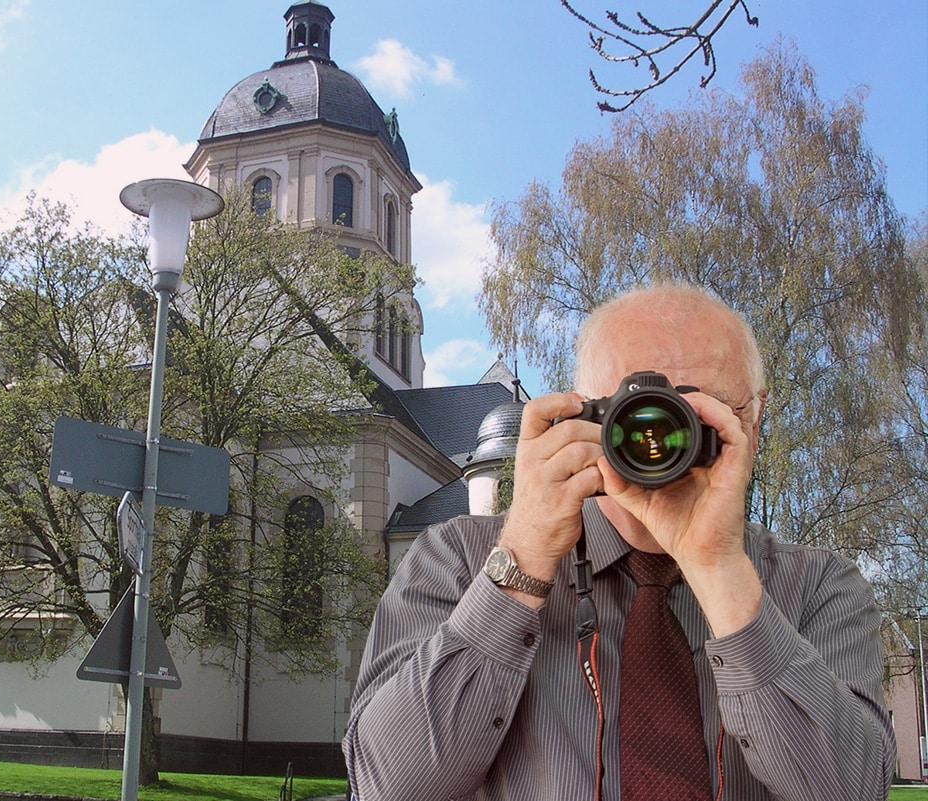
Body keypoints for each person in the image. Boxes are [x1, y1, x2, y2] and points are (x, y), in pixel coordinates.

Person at [343, 284, 895, 801]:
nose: (663, 440)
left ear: (753, 418)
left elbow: (852, 790)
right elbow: (388, 784)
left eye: (699, 412)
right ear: (582, 414)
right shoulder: (457, 561)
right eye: (636, 413)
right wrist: (522, 564)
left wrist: (720, 571)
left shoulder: (819, 586)